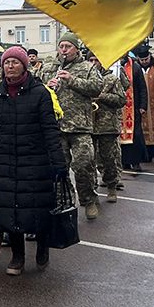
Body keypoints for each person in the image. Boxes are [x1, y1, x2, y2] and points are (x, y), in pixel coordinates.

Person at [0, 46, 68, 275]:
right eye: (6, 62)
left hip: (35, 162)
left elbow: (50, 132)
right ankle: (17, 257)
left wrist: (59, 165)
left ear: (24, 66)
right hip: (6, 162)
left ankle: (42, 249)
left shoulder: (40, 93)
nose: (10, 66)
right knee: (10, 210)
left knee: (38, 208)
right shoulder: (0, 94)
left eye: (15, 62)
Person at [41, 32, 104, 220]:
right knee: (59, 167)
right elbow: (37, 90)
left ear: (76, 48)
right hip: (57, 127)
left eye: (68, 47)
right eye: (61, 47)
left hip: (80, 126)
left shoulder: (88, 67)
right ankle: (65, 201)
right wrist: (47, 86)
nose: (64, 50)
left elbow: (96, 88)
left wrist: (72, 80)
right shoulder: (50, 67)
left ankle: (89, 199)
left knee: (84, 164)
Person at [89, 53, 127, 202]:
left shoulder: (112, 79)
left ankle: (112, 186)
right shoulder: (86, 78)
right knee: (89, 160)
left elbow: (121, 100)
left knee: (109, 159)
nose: (93, 63)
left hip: (107, 125)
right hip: (88, 125)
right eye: (91, 60)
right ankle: (91, 188)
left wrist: (102, 96)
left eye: (96, 60)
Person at [118, 53, 149, 172]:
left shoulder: (135, 67)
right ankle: (124, 161)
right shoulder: (113, 66)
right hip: (118, 107)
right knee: (120, 135)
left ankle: (136, 161)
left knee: (135, 135)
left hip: (133, 107)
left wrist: (143, 105)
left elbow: (142, 87)